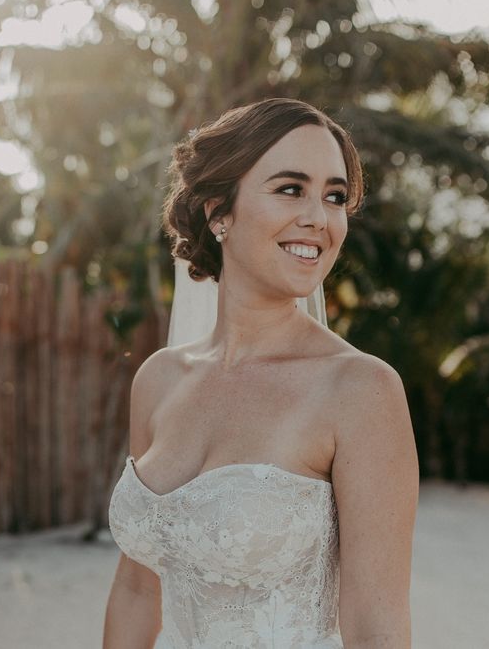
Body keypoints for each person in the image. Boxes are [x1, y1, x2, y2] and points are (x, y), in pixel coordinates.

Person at [103, 98, 419, 649]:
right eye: (291, 188)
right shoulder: (158, 379)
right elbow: (137, 589)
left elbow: (376, 626)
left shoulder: (360, 390)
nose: (319, 218)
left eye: (335, 197)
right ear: (217, 210)